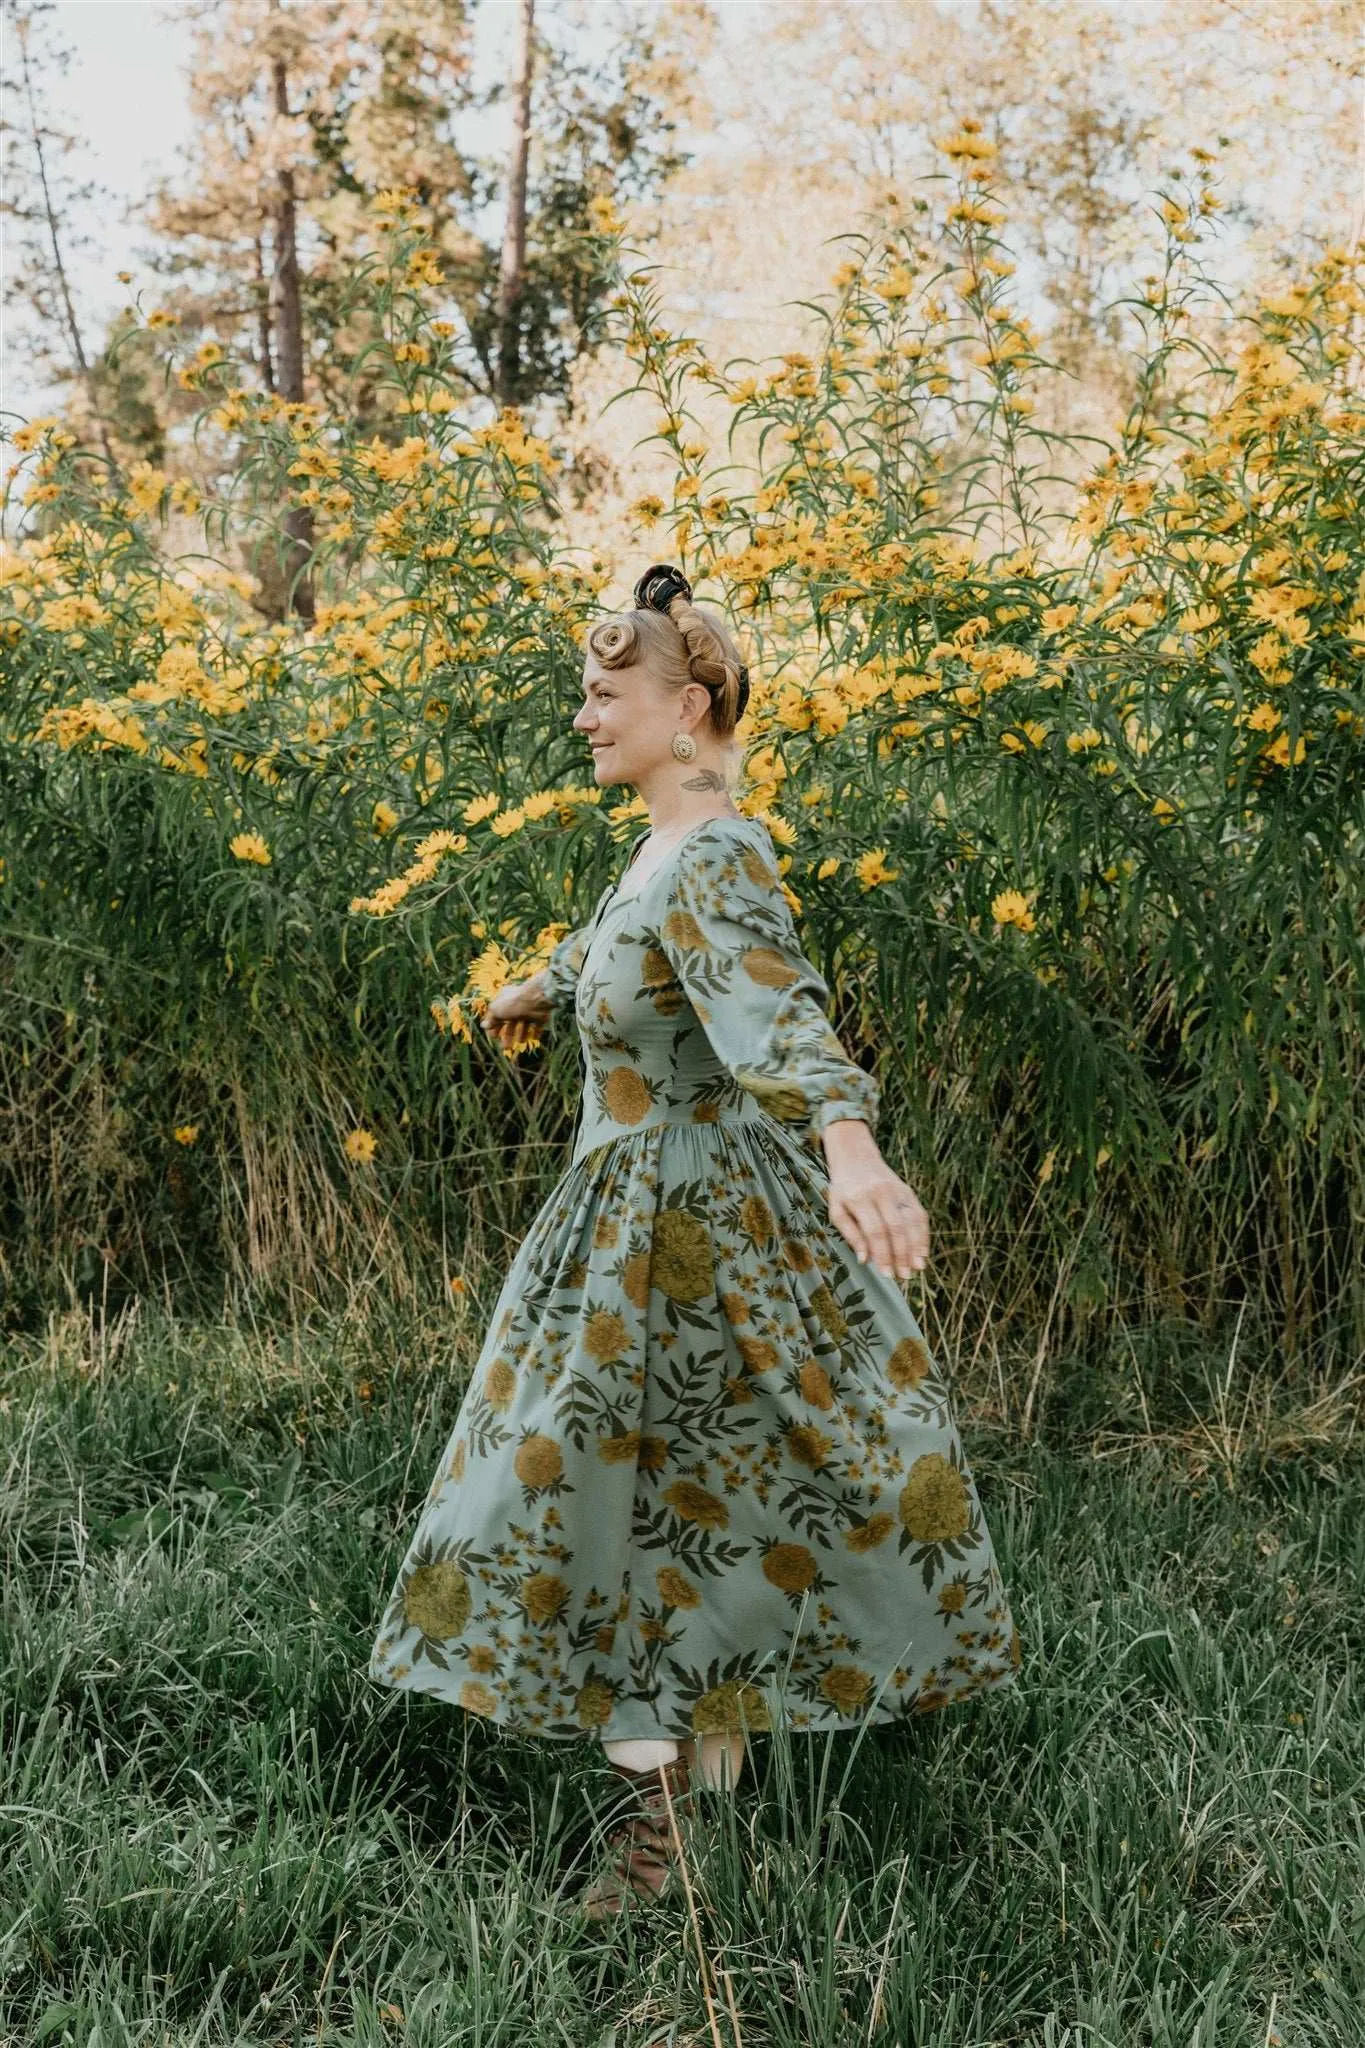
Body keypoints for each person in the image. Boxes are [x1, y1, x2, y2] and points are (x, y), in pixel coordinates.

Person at [367, 562, 1021, 1919]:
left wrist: (851, 1146)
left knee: (612, 1504)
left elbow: (772, 1005)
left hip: (683, 1228)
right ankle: (674, 1803)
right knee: (658, 1503)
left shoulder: (717, 853)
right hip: (640, 1218)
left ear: (691, 705)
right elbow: (636, 951)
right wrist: (540, 986)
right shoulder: (667, 844)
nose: (584, 719)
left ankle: (661, 1840)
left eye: (606, 696)